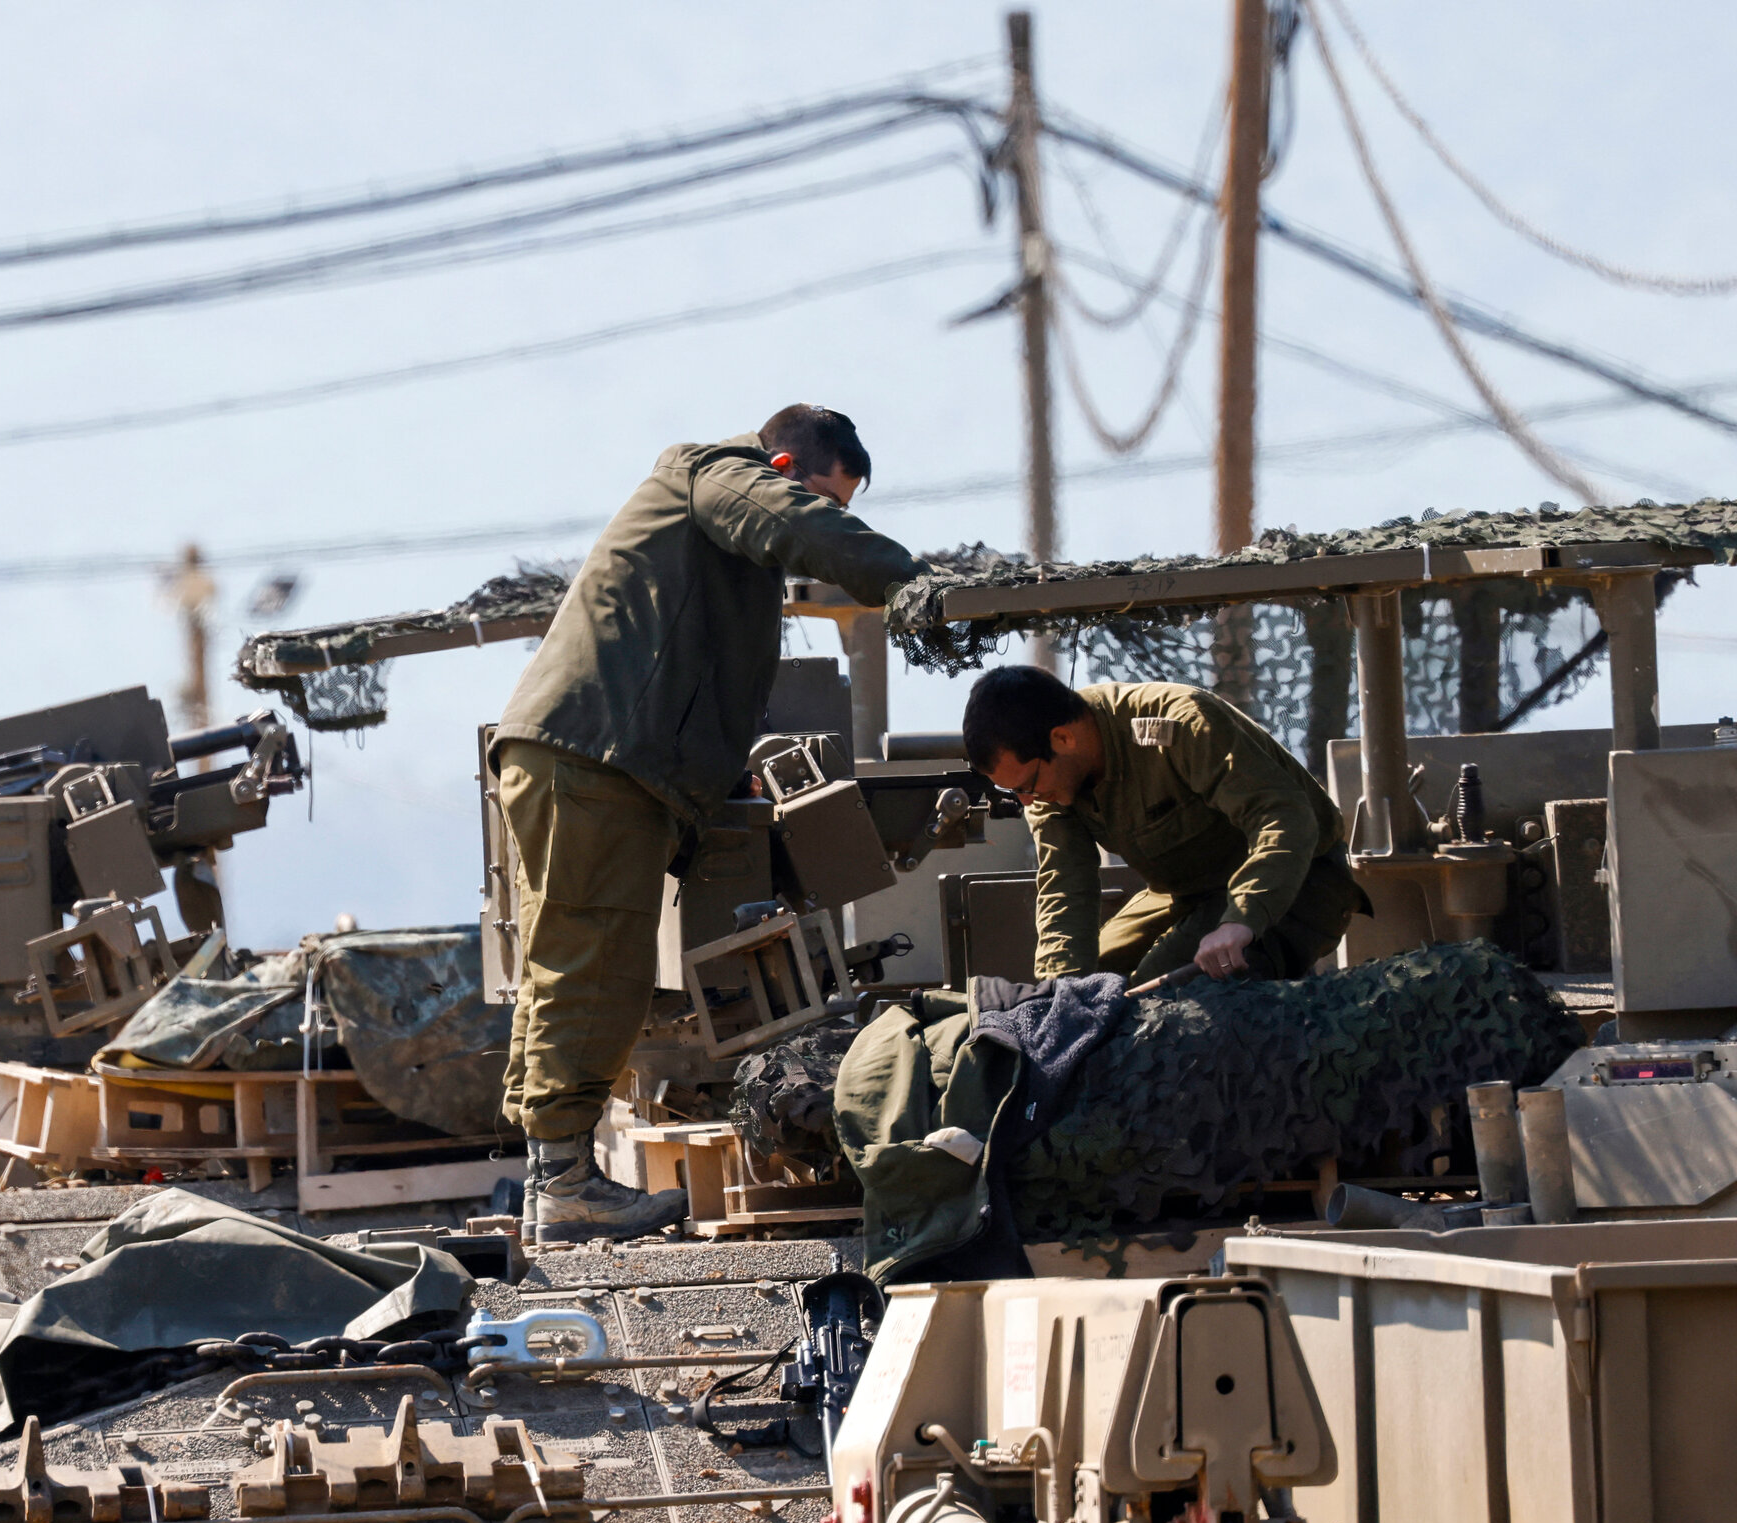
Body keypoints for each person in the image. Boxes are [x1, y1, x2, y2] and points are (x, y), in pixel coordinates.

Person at [492, 406, 925, 1244]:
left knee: (567, 959)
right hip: (598, 760)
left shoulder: (710, 518)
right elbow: (787, 520)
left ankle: (555, 1175)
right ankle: (567, 1185)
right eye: (826, 502)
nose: (826, 521)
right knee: (597, 962)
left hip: (587, 754)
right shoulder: (716, 474)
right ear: (785, 467)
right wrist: (904, 577)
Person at [961, 666, 1364, 983]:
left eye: (1027, 785)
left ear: (1063, 739)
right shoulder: (1049, 784)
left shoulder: (1180, 725)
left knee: (1154, 996)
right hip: (1184, 895)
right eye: (1015, 792)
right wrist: (1060, 992)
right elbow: (1065, 885)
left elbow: (1285, 818)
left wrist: (1241, 920)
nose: (1026, 801)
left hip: (1299, 883)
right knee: (1088, 985)